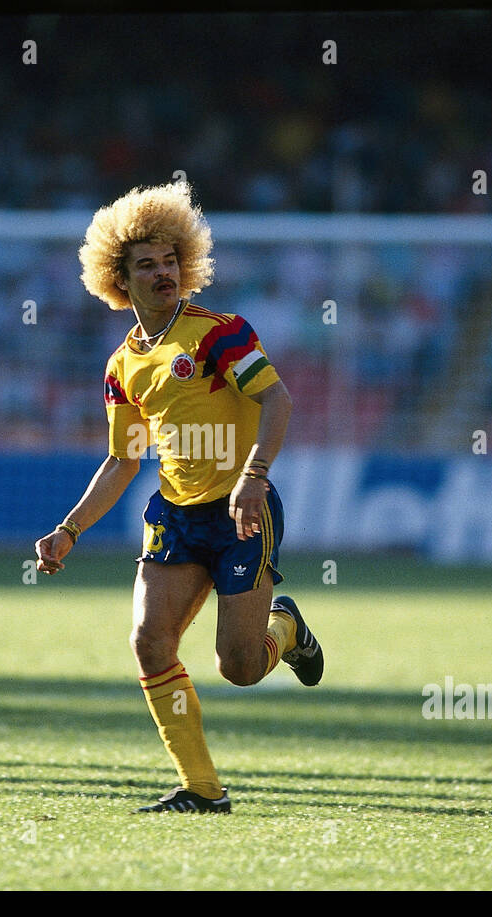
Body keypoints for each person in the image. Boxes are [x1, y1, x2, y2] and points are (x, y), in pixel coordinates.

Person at [34, 181, 325, 813]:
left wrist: (253, 476)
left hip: (241, 511)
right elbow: (121, 459)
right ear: (120, 278)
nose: (163, 272)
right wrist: (69, 530)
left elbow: (278, 400)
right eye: (147, 264)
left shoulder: (220, 334)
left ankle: (287, 627)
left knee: (241, 667)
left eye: (171, 260)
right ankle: (202, 788)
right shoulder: (122, 368)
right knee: (148, 642)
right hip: (174, 514)